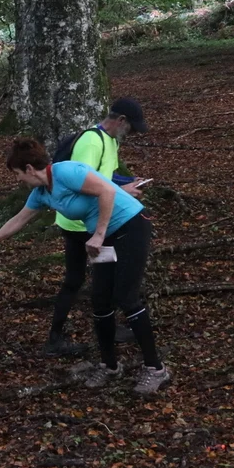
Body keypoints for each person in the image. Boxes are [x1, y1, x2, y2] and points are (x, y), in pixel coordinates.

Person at [0, 139, 172, 395]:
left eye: (18, 174)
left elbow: (107, 191)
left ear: (30, 169)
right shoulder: (42, 193)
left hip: (130, 227)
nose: (19, 180)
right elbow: (18, 220)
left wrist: (98, 234)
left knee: (126, 297)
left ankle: (156, 368)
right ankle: (110, 365)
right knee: (100, 301)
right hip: (103, 239)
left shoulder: (67, 172)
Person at [46, 98, 149, 358]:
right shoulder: (92, 142)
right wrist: (121, 191)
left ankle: (107, 327)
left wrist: (128, 182)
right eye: (131, 128)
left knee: (100, 277)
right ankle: (56, 337)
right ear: (121, 121)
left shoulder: (111, 142)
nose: (131, 134)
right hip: (78, 224)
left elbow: (107, 177)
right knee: (77, 279)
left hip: (96, 219)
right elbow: (82, 183)